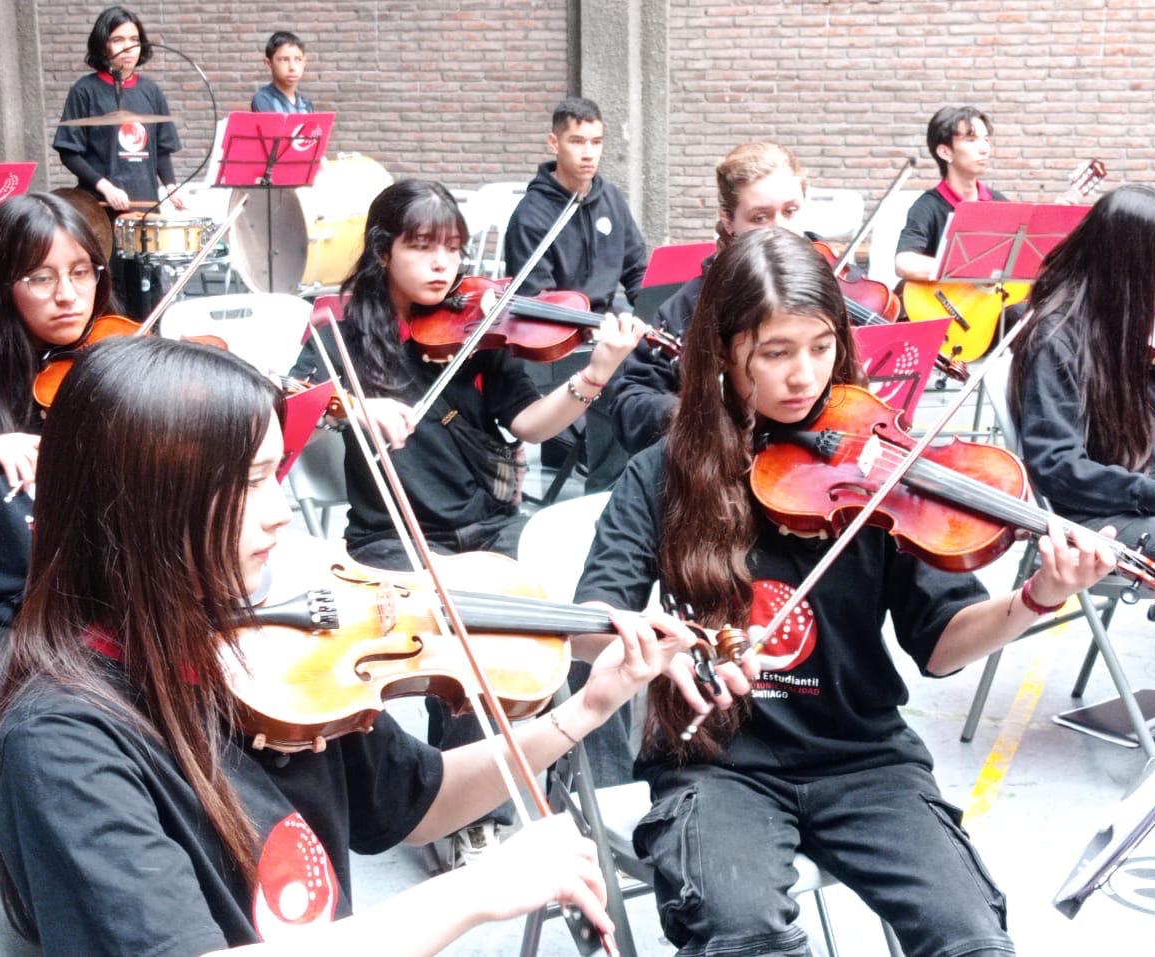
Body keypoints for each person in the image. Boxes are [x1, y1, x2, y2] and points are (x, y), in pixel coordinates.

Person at [0, 334, 704, 955]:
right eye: (250, 483)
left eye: (279, 478)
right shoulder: (62, 740)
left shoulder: (259, 654)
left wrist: (580, 713)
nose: (280, 517)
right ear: (146, 505)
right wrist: (476, 889)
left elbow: (419, 800)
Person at [575, 227, 1116, 957]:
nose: (804, 375)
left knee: (972, 940)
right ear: (723, 352)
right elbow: (585, 624)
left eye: (821, 346)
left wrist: (1039, 596)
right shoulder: (663, 473)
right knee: (745, 937)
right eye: (776, 352)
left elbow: (944, 645)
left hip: (864, 758)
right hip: (718, 764)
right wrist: (649, 648)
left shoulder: (881, 473)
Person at [290, 178, 647, 863]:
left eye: (452, 248)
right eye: (422, 247)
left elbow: (530, 425)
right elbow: (288, 404)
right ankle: (462, 808)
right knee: (470, 641)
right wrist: (352, 409)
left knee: (584, 629)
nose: (441, 265)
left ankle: (604, 797)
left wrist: (595, 375)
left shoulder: (484, 330)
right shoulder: (338, 326)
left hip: (489, 527)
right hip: (394, 541)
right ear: (382, 249)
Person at [1009, 183, 1155, 825]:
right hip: (1103, 521)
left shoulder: (1138, 326)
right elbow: (1058, 466)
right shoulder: (1055, 336)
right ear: (1127, 259)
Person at [0, 192, 114, 708]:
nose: (69, 296)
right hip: (8, 625)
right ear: (3, 287)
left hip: (108, 611)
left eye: (82, 272)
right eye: (42, 278)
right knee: (92, 705)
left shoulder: (113, 371)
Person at [609, 140, 808, 455]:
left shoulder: (821, 285)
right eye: (760, 218)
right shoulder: (697, 301)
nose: (780, 229)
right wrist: (694, 419)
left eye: (790, 211)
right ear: (729, 221)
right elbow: (632, 399)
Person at [504, 96, 649, 492]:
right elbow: (535, 303)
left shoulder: (611, 200)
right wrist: (595, 331)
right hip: (551, 345)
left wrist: (654, 313)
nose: (589, 153)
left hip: (601, 327)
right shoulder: (532, 216)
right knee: (622, 377)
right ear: (554, 143)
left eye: (596, 142)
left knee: (664, 366)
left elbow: (637, 270)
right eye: (577, 141)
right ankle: (609, 491)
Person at [53, 5, 184, 215]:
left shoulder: (152, 91)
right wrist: (105, 187)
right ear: (103, 47)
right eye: (118, 40)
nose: (129, 47)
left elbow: (160, 150)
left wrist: (171, 185)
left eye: (134, 40)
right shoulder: (84, 90)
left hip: (145, 206)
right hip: (99, 209)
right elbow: (69, 152)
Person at [894, 105, 1005, 283]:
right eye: (971, 140)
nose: (984, 149)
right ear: (945, 152)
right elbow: (904, 262)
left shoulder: (999, 203)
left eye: (986, 140)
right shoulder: (927, 206)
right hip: (943, 305)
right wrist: (971, 269)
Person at [251, 31, 315, 113]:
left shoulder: (306, 105)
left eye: (298, 59)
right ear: (268, 63)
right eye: (284, 60)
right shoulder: (263, 99)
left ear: (304, 63)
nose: (292, 67)